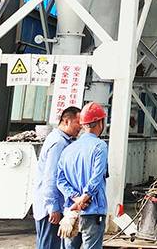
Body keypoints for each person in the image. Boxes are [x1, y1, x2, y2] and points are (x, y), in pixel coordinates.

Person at [56, 102, 109, 249]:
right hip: (92, 211)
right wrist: (83, 198)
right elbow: (96, 178)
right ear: (100, 122)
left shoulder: (69, 148)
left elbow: (60, 180)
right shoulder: (100, 146)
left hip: (71, 212)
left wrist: (75, 198)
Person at [33, 106, 81, 249]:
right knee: (49, 245)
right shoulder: (58, 143)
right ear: (66, 121)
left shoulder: (63, 140)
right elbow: (51, 176)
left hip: (52, 205)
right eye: (78, 122)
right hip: (50, 208)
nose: (81, 127)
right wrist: (53, 206)